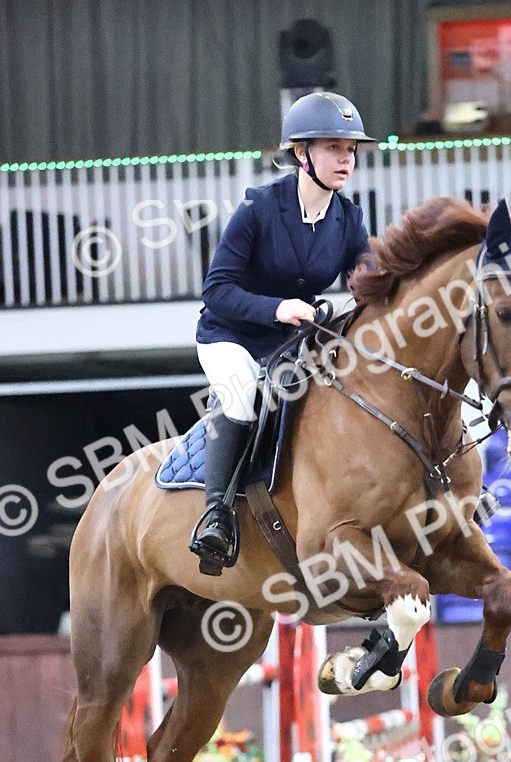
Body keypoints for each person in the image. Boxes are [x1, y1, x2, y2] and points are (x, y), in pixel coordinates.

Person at [190, 91, 375, 574]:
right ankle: (218, 514)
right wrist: (278, 308)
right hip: (230, 335)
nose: (346, 159)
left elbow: (372, 280)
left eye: (350, 149)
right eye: (334, 148)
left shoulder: (349, 219)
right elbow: (216, 290)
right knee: (245, 395)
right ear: (301, 153)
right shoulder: (259, 210)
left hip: (291, 342)